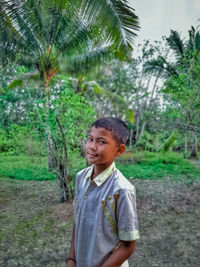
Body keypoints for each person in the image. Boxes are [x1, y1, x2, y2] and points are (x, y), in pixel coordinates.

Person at [66, 117, 140, 267]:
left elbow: (127, 246)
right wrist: (71, 260)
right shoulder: (81, 177)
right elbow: (78, 220)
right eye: (90, 139)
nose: (92, 147)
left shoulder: (122, 189)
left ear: (119, 150)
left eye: (101, 142)